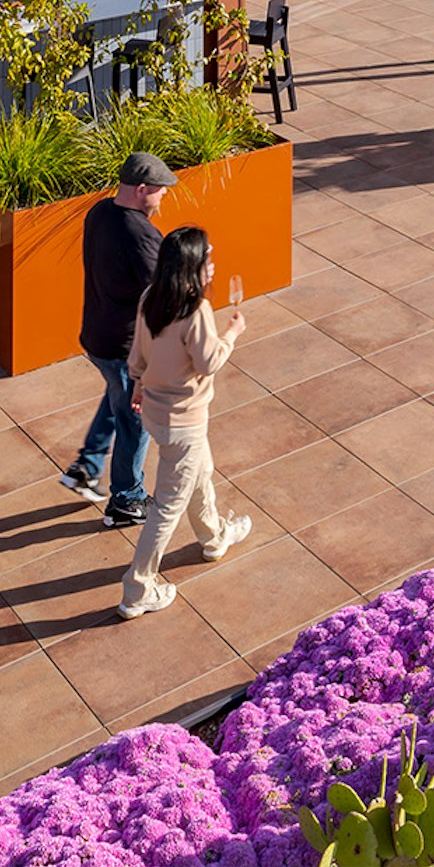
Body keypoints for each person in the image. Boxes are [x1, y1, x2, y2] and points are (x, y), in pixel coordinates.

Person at [117, 225, 251, 618]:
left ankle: (214, 536)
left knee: (201, 471)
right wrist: (232, 333)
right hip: (183, 422)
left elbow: (138, 352)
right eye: (208, 256)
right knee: (166, 508)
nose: (213, 262)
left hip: (157, 412)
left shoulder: (151, 297)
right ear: (192, 265)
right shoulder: (195, 311)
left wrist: (138, 383)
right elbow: (209, 363)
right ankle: (137, 589)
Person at [59, 151, 176, 529]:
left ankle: (87, 465)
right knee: (135, 420)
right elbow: (163, 295)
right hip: (125, 345)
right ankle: (126, 500)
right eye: (160, 190)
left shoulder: (99, 213)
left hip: (96, 335)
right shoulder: (140, 234)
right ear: (141, 189)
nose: (163, 196)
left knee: (118, 396)